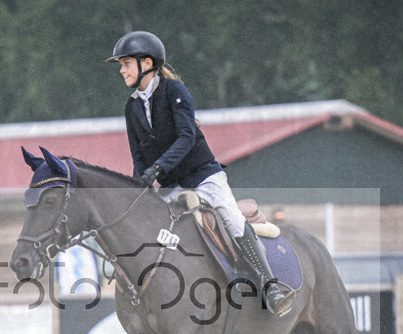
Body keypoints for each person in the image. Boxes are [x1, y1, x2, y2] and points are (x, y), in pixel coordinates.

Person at [106, 31, 293, 316]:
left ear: (146, 63)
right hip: (172, 186)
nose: (121, 70)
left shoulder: (174, 91)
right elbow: (138, 157)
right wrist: (138, 190)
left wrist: (157, 169)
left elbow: (186, 137)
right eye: (121, 65)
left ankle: (270, 285)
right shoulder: (131, 107)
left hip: (203, 177)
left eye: (126, 64)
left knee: (230, 217)